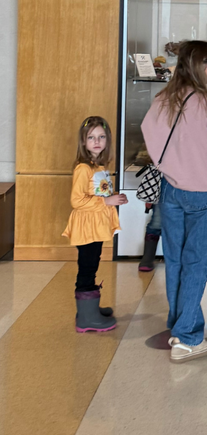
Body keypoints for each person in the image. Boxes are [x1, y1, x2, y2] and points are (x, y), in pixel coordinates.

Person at [142, 40, 207, 362]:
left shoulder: (162, 101)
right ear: (200, 65)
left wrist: (171, 167)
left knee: (177, 261)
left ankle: (181, 325)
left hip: (171, 190)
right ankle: (187, 337)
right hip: (205, 192)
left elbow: (150, 137)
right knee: (198, 263)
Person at [62, 116, 126, 333]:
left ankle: (89, 309)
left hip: (95, 225)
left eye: (101, 137)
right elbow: (77, 200)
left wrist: (113, 197)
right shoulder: (83, 168)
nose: (96, 141)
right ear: (83, 142)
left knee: (92, 264)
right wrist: (106, 201)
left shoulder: (98, 166)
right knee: (87, 268)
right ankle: (87, 318)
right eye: (91, 137)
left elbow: (98, 193)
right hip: (87, 227)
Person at [139, 201, 161, 272]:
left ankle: (180, 260)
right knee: (156, 223)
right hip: (162, 193)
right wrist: (149, 199)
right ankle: (148, 258)